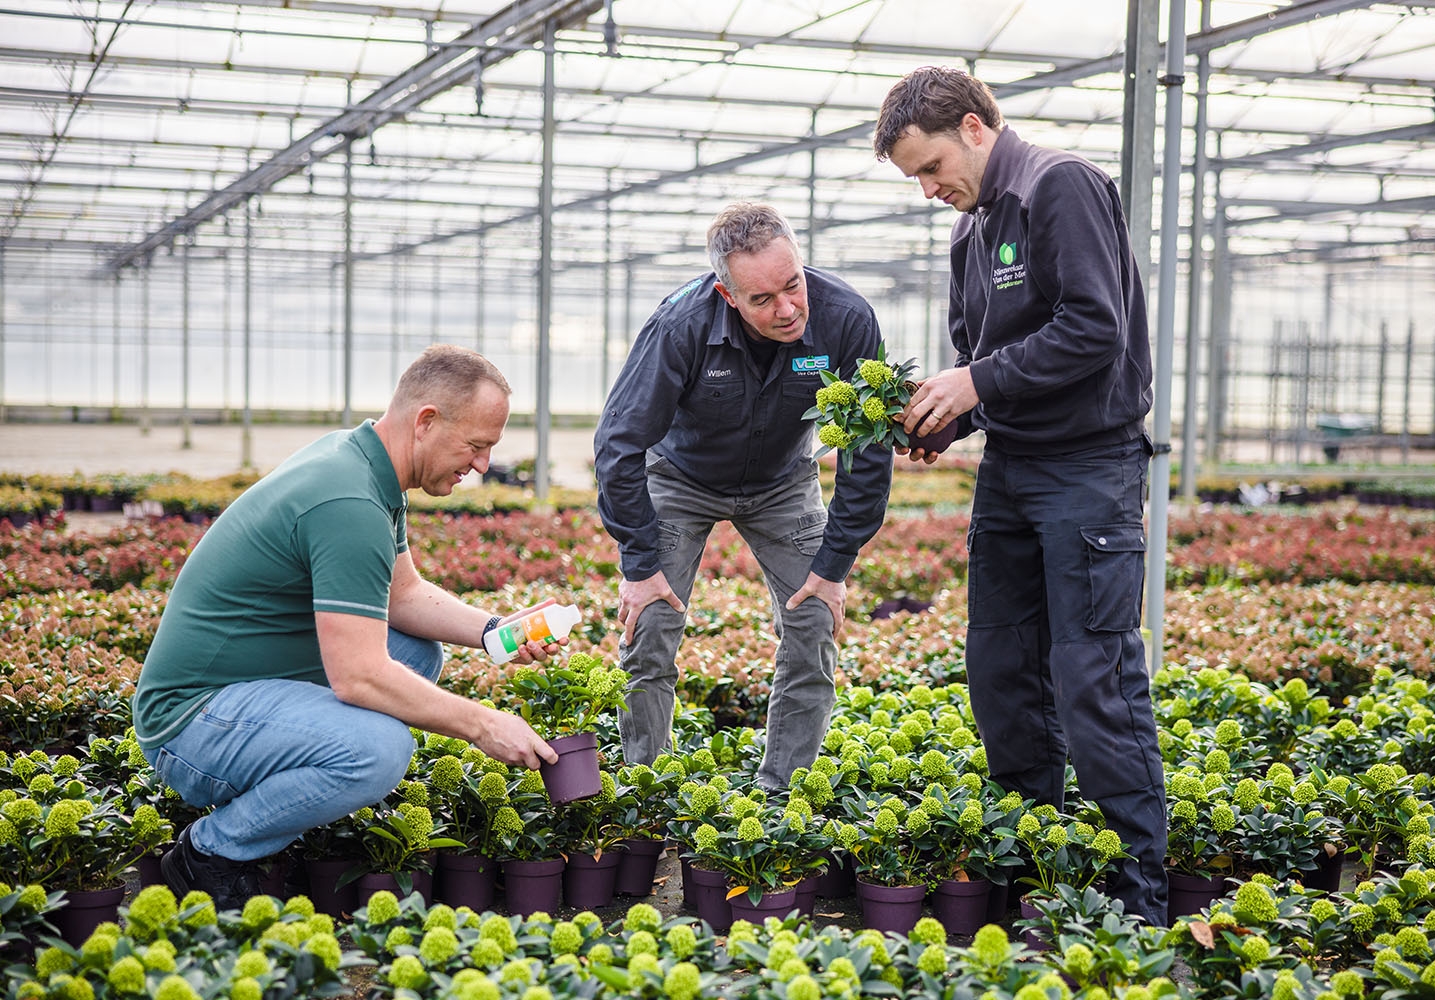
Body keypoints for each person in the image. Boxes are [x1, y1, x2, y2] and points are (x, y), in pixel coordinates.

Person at [874, 66, 1168, 924]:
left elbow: (1094, 328)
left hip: (1088, 467)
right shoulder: (971, 233)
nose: (929, 191)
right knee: (1001, 667)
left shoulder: (1059, 187)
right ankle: (1041, 858)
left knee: (1094, 674)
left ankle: (1135, 888)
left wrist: (973, 384)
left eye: (930, 168)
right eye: (915, 181)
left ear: (973, 127)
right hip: (1012, 472)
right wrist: (942, 421)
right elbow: (985, 368)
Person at [132, 344, 562, 910]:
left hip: (241, 690)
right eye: (476, 446)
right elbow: (359, 678)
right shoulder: (348, 501)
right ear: (426, 421)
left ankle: (307, 781)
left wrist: (495, 630)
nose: (482, 466)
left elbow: (402, 597)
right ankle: (212, 851)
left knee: (414, 652)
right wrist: (485, 725)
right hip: (190, 721)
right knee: (378, 750)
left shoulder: (366, 464)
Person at [594, 202, 893, 790]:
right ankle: (646, 791)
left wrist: (833, 567)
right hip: (680, 481)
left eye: (794, 285)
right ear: (727, 295)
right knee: (650, 627)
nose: (787, 309)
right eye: (763, 299)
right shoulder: (679, 327)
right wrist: (639, 564)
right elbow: (619, 444)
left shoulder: (846, 320)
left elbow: (869, 449)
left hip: (783, 482)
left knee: (813, 624)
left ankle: (781, 796)